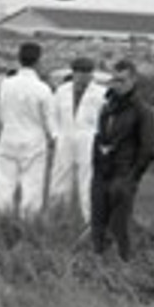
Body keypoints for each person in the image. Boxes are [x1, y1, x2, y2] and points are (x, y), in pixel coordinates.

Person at [91, 59, 154, 260]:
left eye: (122, 80)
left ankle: (124, 268)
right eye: (115, 80)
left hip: (124, 174)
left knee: (119, 228)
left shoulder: (142, 111)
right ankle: (98, 267)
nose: (117, 84)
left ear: (133, 80)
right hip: (102, 173)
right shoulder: (107, 107)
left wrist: (132, 177)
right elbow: (100, 136)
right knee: (98, 225)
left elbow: (148, 150)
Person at [0, 42, 53, 219]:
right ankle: (28, 225)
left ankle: (3, 221)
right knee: (32, 186)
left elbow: (1, 112)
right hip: (33, 140)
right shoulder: (43, 89)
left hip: (8, 136)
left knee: (4, 184)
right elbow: (49, 120)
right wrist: (52, 138)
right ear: (38, 61)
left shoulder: (6, 84)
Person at [47, 56, 108, 223]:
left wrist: (101, 139)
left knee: (87, 181)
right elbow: (52, 115)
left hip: (88, 139)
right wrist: (55, 135)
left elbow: (105, 119)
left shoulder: (101, 93)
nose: (83, 77)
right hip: (65, 137)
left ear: (91, 74)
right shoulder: (62, 91)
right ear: (73, 73)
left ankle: (90, 220)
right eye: (79, 73)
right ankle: (57, 218)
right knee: (60, 178)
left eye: (86, 73)